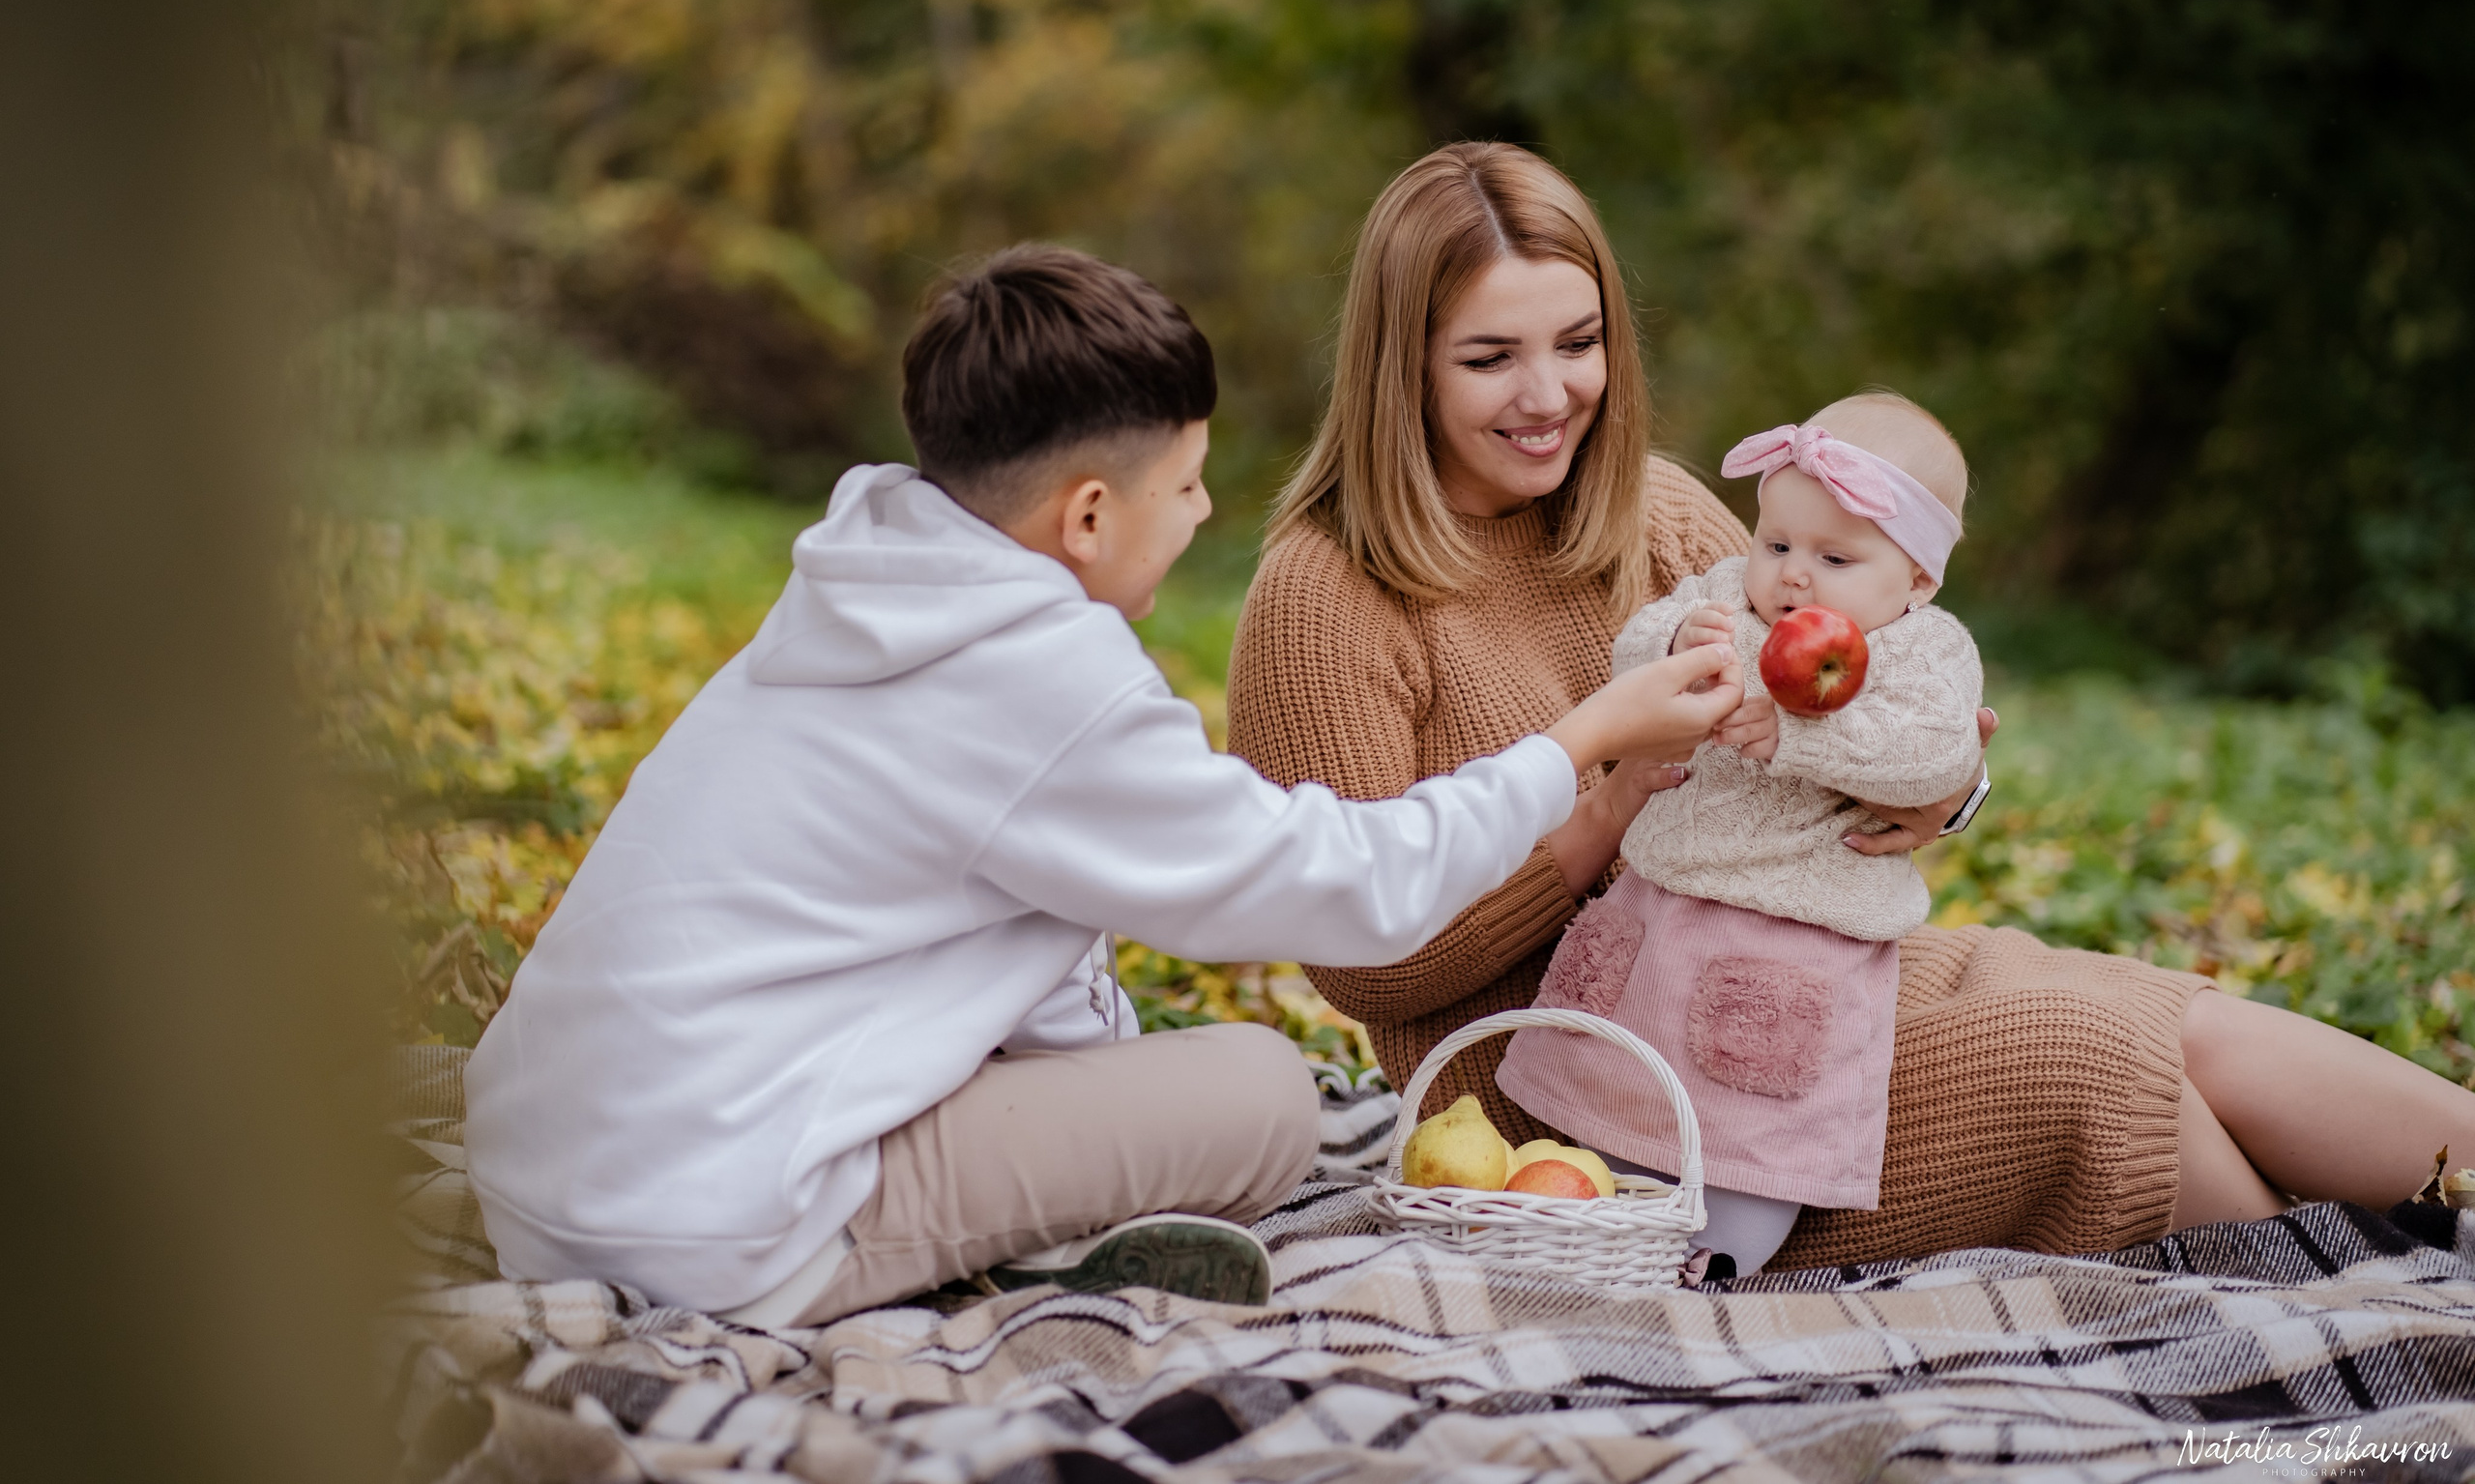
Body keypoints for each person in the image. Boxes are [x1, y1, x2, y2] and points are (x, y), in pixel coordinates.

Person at [1227, 141, 2475, 1269]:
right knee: (2081, 1065)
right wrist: (1609, 795)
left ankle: (2441, 1201)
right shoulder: (1329, 591)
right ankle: (2350, 1288)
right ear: (1402, 364)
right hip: (1597, 1075)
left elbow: (1843, 691)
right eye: (1491, 356)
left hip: (1785, 948)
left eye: (1578, 340)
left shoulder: (1651, 512)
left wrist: (1942, 791)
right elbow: (1357, 954)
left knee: (2124, 1000)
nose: (1550, 393)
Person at [462, 244, 1743, 1324]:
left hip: (551, 1154)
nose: (1196, 513)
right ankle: (1007, 1268)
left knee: (1137, 1077)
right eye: (1183, 483)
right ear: (1085, 515)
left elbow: (1044, 957)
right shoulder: (1038, 679)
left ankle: (1048, 1227)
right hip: (705, 1220)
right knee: (1259, 1096)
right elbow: (1347, 884)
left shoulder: (879, 581)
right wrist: (1584, 743)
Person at [1497, 393, 1983, 1277]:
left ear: (1917, 579)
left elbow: (1935, 751)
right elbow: (1633, 658)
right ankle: (1603, 1220)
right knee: (1623, 1093)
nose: (1794, 575)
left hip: (1800, 944)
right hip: (1663, 916)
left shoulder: (1928, 653)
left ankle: (1725, 1252)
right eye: (1778, 543)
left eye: (1836, 556)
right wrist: (1671, 640)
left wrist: (1803, 734)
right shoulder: (1724, 594)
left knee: (1762, 1117)